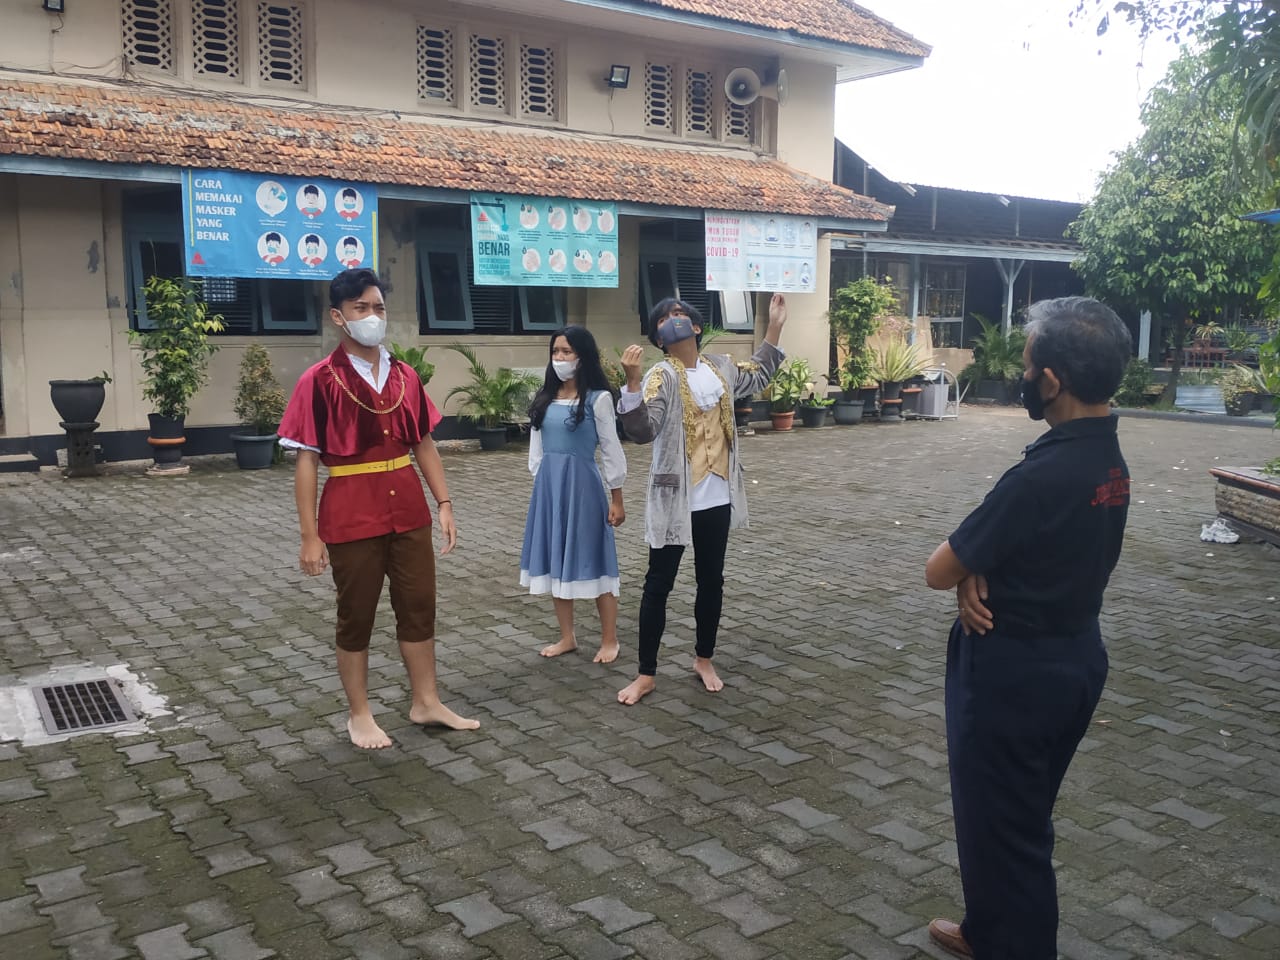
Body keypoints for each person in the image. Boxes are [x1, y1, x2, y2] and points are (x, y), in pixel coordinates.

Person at [923, 297, 1133, 959]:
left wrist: (965, 571)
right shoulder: (1108, 461)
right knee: (1013, 817)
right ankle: (987, 930)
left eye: (1027, 364)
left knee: (1010, 836)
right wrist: (976, 570)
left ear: (1052, 381)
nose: (1022, 375)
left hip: (1015, 676)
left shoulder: (1039, 477)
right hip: (1075, 658)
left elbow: (936, 567)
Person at [278, 268, 478, 750]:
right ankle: (360, 713)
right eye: (361, 308)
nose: (372, 317)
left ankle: (426, 701)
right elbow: (306, 461)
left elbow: (423, 444)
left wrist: (444, 502)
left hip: (408, 509)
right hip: (351, 512)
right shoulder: (319, 380)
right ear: (339, 317)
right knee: (357, 614)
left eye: (379, 308)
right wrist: (310, 535)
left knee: (418, 606)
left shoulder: (405, 375)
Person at [615, 294, 788, 705]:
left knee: (712, 580)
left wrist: (776, 325)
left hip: (716, 492)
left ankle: (703, 657)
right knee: (659, 583)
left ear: (695, 326)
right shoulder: (662, 376)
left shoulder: (721, 367)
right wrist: (633, 382)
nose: (672, 321)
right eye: (663, 319)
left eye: (679, 315)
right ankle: (646, 674)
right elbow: (643, 431)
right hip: (676, 496)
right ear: (659, 337)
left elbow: (758, 373)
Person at [520, 326, 626, 663]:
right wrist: (544, 489)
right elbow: (536, 453)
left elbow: (611, 451)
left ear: (583, 356)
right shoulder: (544, 398)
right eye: (556, 352)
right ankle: (568, 637)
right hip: (550, 491)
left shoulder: (599, 399)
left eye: (567, 352)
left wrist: (617, 497)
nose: (560, 358)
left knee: (597, 560)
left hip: (584, 489)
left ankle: (610, 640)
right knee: (555, 562)